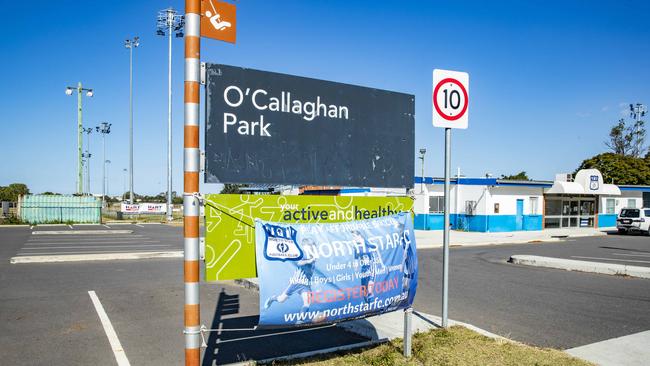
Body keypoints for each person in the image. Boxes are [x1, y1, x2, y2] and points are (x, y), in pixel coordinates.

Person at [264, 237, 317, 320]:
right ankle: (272, 298)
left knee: (307, 303)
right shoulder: (303, 254)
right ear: (305, 246)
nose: (311, 247)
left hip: (306, 285)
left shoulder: (313, 256)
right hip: (296, 282)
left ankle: (300, 321)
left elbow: (310, 270)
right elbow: (299, 263)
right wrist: (308, 261)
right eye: (309, 245)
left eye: (312, 245)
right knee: (281, 300)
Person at [351, 230, 385, 303]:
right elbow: (356, 259)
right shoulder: (356, 247)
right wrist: (355, 269)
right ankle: (367, 304)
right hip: (364, 269)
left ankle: (371, 299)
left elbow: (377, 253)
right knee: (364, 289)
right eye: (352, 236)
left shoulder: (369, 244)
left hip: (371, 266)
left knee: (370, 286)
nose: (353, 238)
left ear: (359, 235)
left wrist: (381, 264)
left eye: (354, 236)